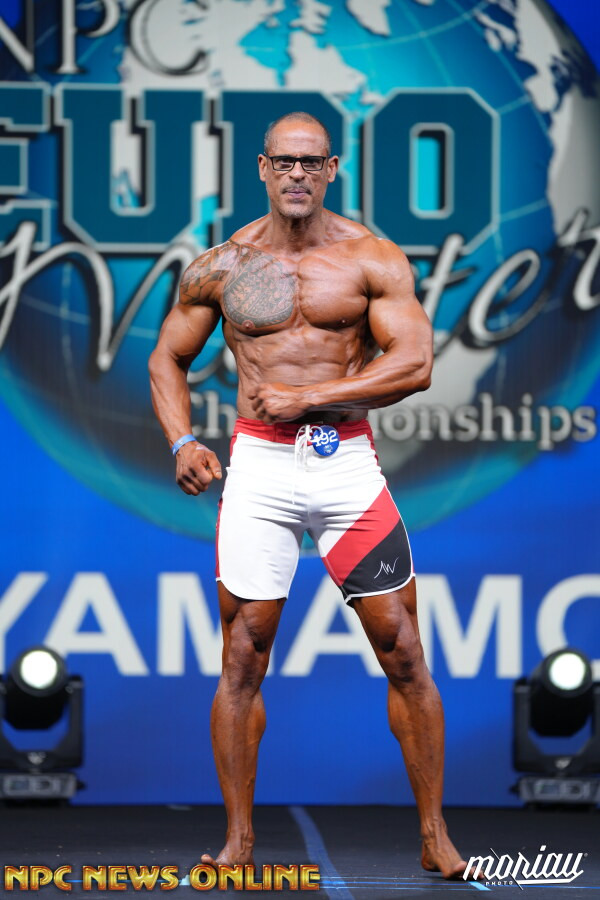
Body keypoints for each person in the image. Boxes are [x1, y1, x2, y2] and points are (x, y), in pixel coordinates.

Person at [149, 111, 478, 881]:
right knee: (243, 656)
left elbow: (415, 362)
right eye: (284, 162)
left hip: (344, 465)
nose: (297, 174)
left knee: (403, 648)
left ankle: (434, 836)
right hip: (260, 469)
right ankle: (239, 842)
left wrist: (314, 395)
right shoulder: (221, 265)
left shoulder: (370, 257)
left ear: (332, 170)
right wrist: (182, 440)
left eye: (311, 162)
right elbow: (168, 358)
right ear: (262, 168)